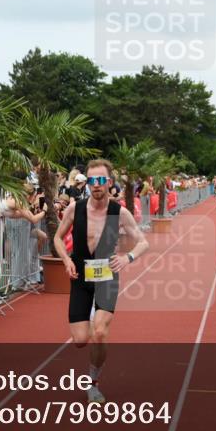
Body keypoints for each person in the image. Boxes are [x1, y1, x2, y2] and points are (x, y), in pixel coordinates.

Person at [53, 159, 149, 404]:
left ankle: (93, 384)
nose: (96, 185)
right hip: (81, 278)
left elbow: (143, 241)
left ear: (109, 182)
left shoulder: (120, 212)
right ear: (87, 183)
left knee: (99, 332)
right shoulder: (75, 209)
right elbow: (57, 237)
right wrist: (66, 260)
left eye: (101, 180)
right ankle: (92, 322)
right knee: (80, 341)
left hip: (107, 278)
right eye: (92, 180)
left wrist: (128, 258)